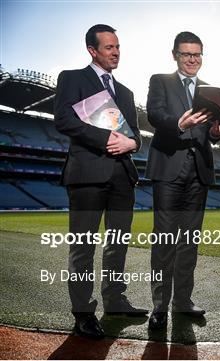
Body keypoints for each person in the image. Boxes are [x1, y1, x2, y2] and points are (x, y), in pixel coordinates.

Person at [54, 24, 147, 340]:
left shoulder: (127, 92)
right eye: (109, 47)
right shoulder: (72, 78)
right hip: (87, 175)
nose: (116, 52)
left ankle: (115, 300)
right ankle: (82, 313)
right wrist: (107, 137)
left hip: (122, 175)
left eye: (118, 46)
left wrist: (131, 143)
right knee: (83, 247)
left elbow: (136, 136)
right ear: (92, 50)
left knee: (118, 243)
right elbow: (64, 120)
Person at [145, 31, 220, 330]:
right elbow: (154, 114)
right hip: (168, 169)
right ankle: (159, 305)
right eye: (187, 54)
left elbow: (211, 134)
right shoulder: (160, 80)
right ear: (174, 55)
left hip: (198, 171)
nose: (193, 59)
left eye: (197, 54)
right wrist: (179, 122)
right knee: (164, 239)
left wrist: (215, 132)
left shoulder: (209, 90)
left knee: (189, 241)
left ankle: (183, 301)